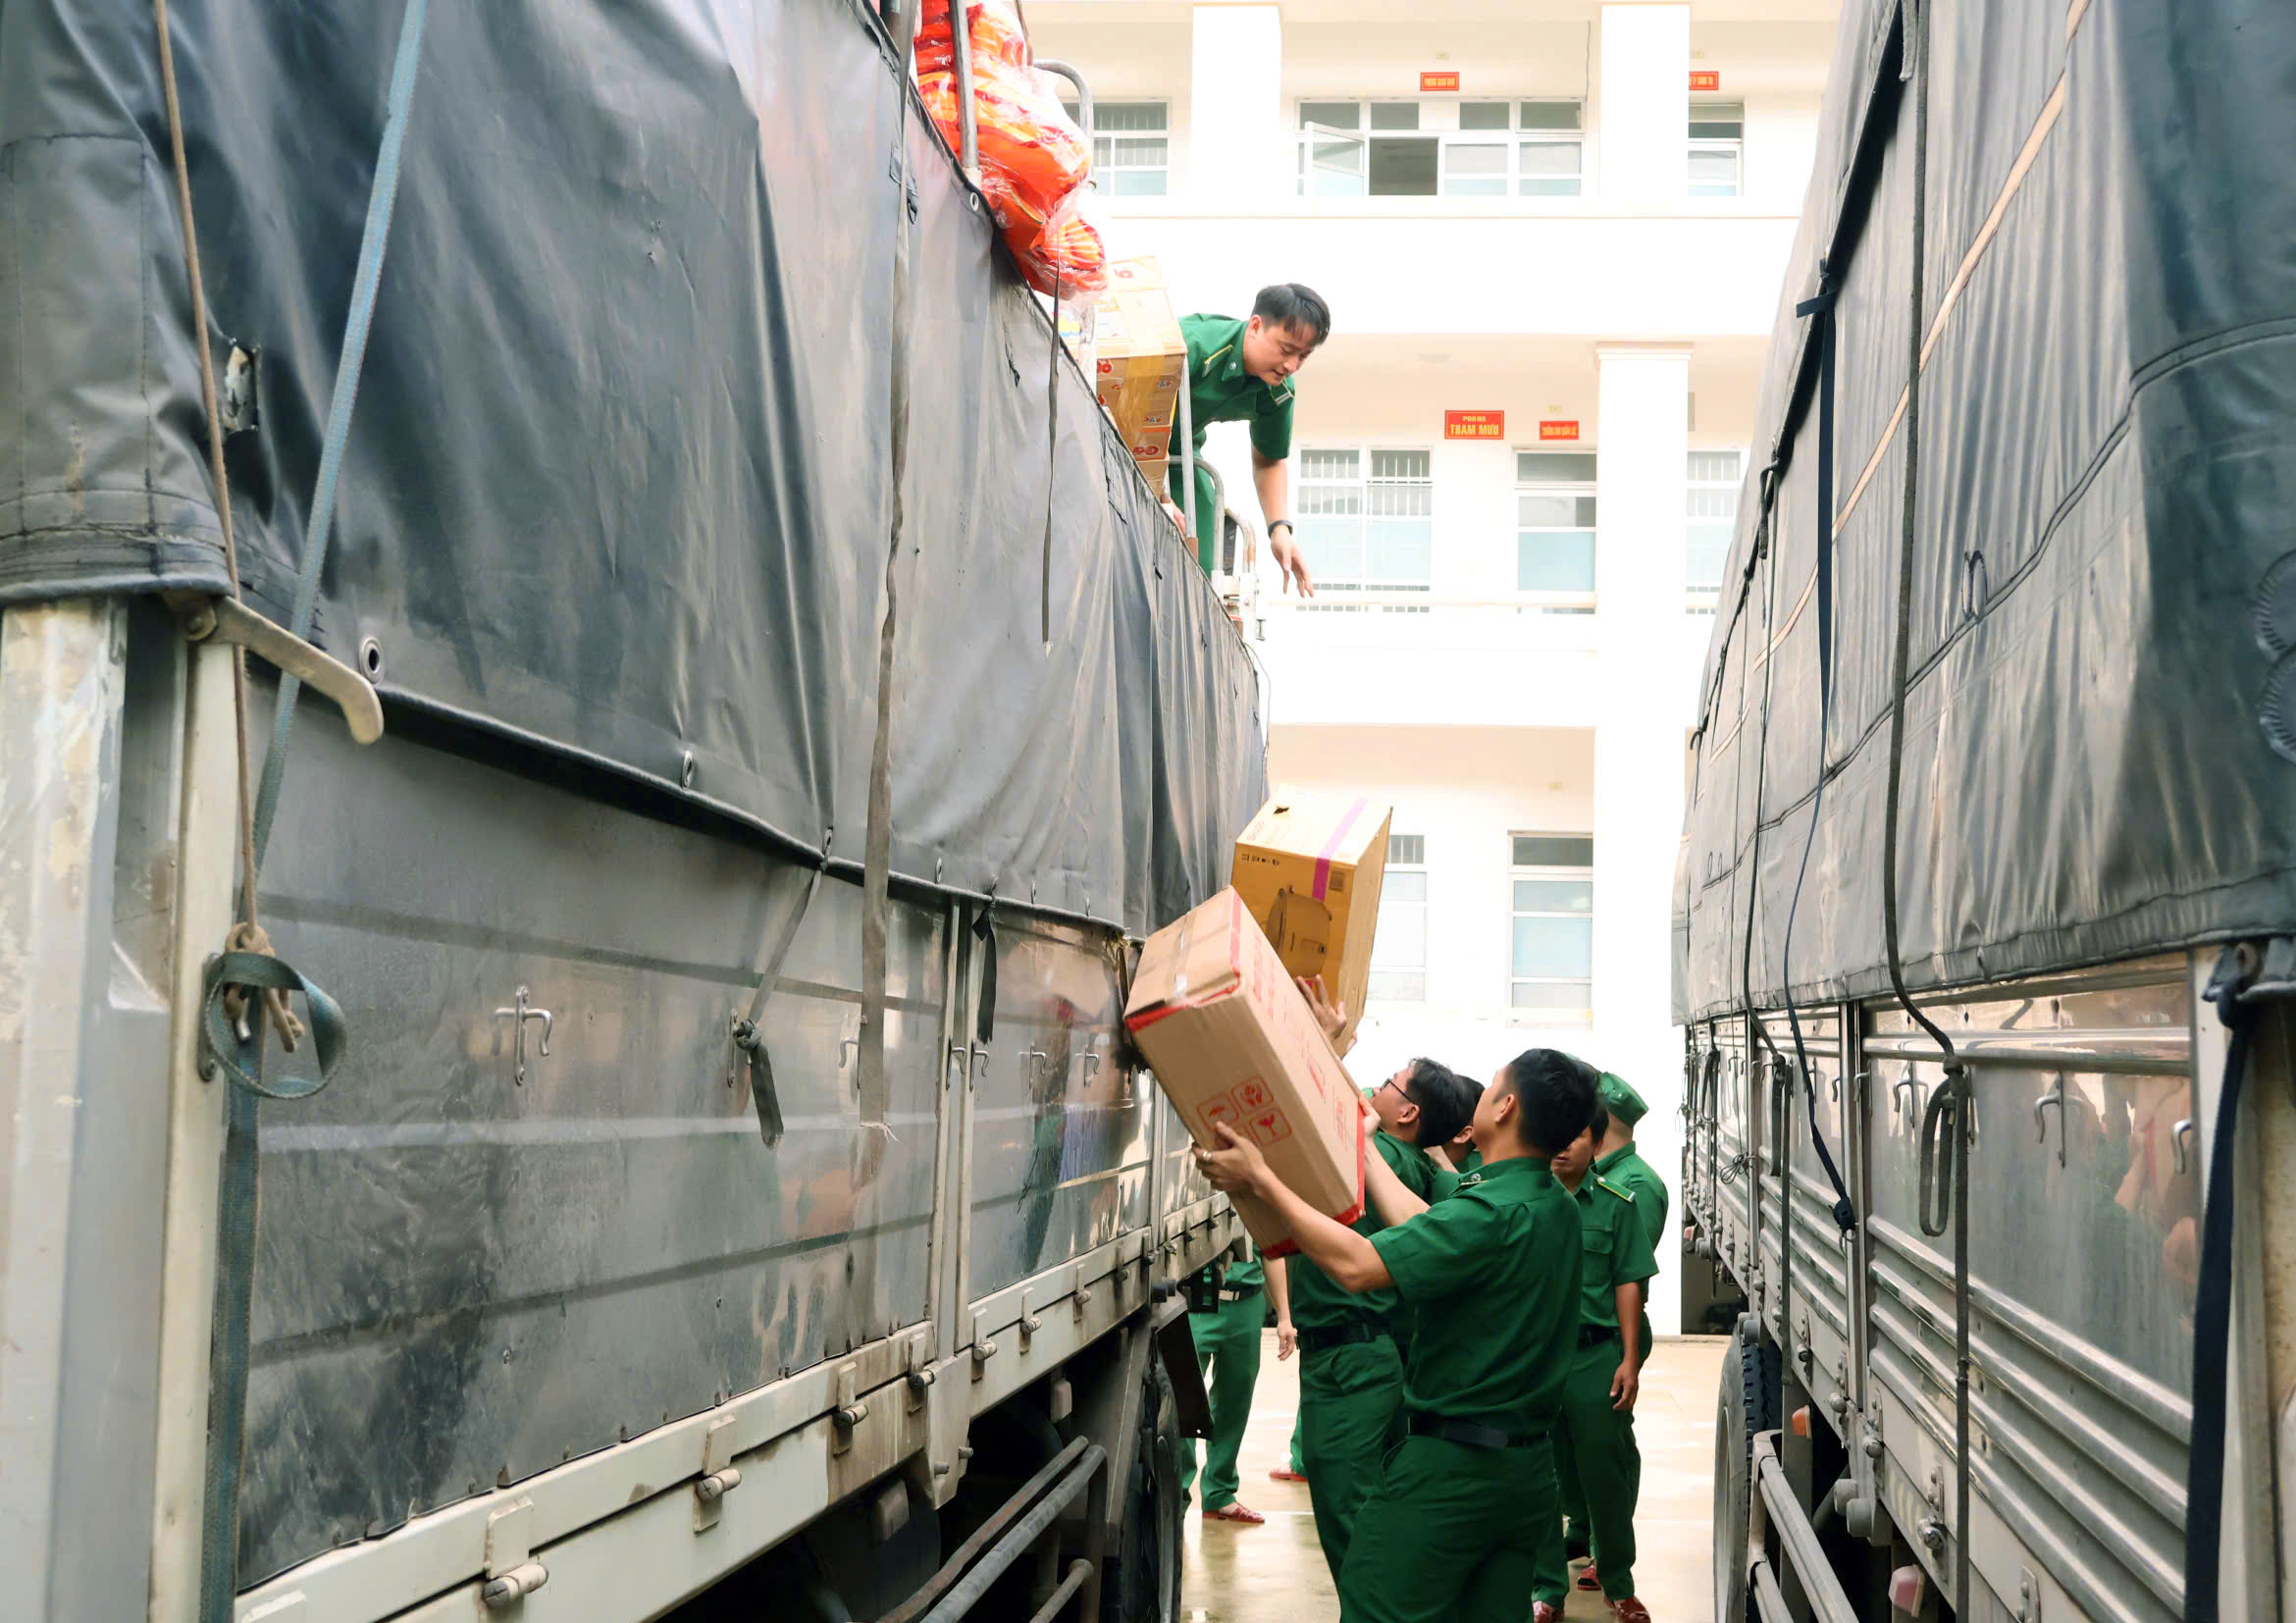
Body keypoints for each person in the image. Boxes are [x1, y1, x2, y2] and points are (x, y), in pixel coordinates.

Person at [1194, 1048, 1598, 1623]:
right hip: (1525, 1476)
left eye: (1492, 1088)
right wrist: (1362, 1146)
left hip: (1453, 1470)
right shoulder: (1547, 1203)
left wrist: (1262, 1179)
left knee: (1374, 1603)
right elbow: (1427, 1226)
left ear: (1505, 1106)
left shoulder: (1489, 1214)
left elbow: (1358, 1265)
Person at [1286, 1055, 1477, 1581]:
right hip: (1372, 1357)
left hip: (1347, 1363)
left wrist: (1323, 1046)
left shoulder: (1372, 1156)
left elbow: (1314, 1109)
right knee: (1376, 1511)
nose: (1375, 1085)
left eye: (1389, 1083)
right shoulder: (1403, 1160)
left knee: (1348, 1519)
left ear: (1407, 1111)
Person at [1535, 1103, 1659, 1623]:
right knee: (1541, 1474)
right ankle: (1547, 1591)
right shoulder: (1523, 1201)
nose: (1563, 1146)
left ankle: (1617, 1581)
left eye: (1576, 1136)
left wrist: (1629, 1358)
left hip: (1593, 1356)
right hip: (1534, 1359)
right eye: (1554, 1135)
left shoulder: (1617, 1204)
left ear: (1595, 1142)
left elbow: (1629, 1282)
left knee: (1605, 1470)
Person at [1173, 284, 1329, 592]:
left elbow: (1269, 461)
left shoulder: (1279, 393)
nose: (1291, 366)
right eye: (1286, 350)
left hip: (1181, 452)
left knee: (1201, 556)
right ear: (1256, 326)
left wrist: (1279, 530)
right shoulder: (1192, 347)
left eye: (1303, 357)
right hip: (1128, 438)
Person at [1179, 1242, 1292, 1525]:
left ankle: (1220, 1493)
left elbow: (1272, 1249)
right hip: (1198, 1303)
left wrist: (1284, 1316)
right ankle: (1173, 1498)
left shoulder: (1260, 1196)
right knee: (1182, 1405)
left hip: (1247, 1302)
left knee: (1235, 1402)